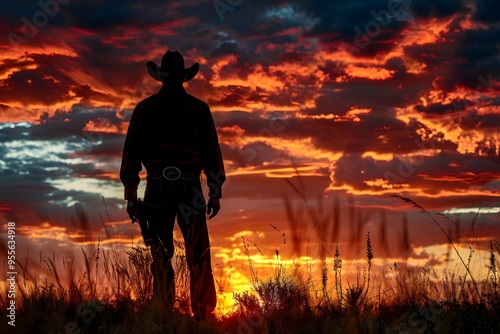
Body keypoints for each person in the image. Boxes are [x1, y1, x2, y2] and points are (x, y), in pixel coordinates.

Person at [120, 50, 225, 321]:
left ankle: (163, 312)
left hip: (156, 188)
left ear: (162, 77)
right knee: (198, 251)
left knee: (160, 252)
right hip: (190, 187)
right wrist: (215, 192)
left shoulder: (145, 109)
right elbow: (212, 153)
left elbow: (131, 153)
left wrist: (131, 195)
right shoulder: (199, 109)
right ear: (183, 78)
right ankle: (202, 314)